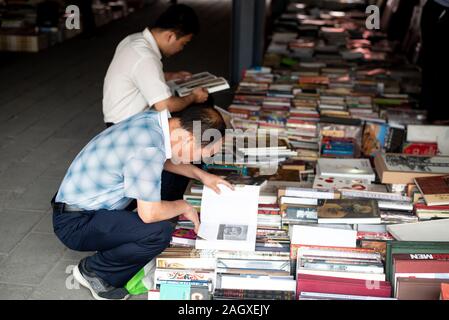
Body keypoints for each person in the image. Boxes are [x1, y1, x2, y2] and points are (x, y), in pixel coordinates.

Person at [51, 106, 232, 300]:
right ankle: (95, 271)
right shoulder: (149, 149)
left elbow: (161, 159)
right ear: (189, 139)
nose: (204, 159)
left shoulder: (155, 122)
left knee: (169, 183)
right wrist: (184, 206)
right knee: (158, 231)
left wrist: (203, 176)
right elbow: (150, 214)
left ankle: (119, 239)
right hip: (75, 223)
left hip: (81, 205)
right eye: (207, 153)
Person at [102, 4, 208, 126]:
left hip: (117, 117)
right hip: (126, 125)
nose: (181, 48)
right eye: (183, 43)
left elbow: (137, 75)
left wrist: (170, 76)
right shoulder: (146, 57)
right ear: (170, 36)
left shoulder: (133, 39)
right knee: (197, 112)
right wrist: (193, 97)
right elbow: (165, 106)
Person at [420, 0, 449, 123]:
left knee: (437, 69)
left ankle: (436, 116)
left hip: (439, 9)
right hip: (438, 8)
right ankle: (435, 117)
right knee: (434, 69)